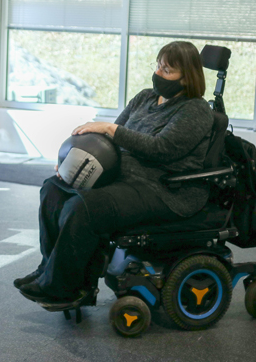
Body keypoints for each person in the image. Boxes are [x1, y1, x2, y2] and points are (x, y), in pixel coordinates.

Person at [15, 41, 214, 303]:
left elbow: (162, 149)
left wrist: (110, 129)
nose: (159, 74)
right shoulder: (144, 98)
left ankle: (66, 287)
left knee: (83, 207)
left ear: (187, 77)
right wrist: (71, 164)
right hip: (123, 178)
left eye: (168, 71)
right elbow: (109, 142)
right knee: (53, 188)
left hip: (164, 189)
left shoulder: (196, 110)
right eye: (158, 66)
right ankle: (48, 271)